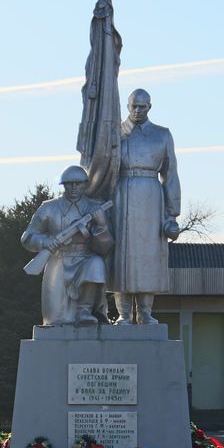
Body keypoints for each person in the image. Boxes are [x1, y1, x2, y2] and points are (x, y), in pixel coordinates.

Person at [109, 88, 181, 324]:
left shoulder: (162, 135)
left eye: (142, 106)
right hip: (121, 195)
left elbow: (170, 175)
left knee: (148, 256)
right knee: (122, 256)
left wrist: (172, 213)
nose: (138, 110)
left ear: (150, 106)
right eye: (134, 106)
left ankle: (146, 311)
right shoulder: (114, 134)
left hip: (152, 199)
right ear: (127, 106)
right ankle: (123, 313)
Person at [21, 166, 113, 326]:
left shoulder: (95, 207)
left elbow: (105, 249)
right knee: (55, 321)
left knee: (97, 264)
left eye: (78, 183)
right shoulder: (48, 208)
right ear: (63, 185)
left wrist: (102, 225)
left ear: (85, 184)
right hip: (58, 260)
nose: (74, 188)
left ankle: (85, 311)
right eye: (69, 184)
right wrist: (45, 242)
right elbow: (27, 237)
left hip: (86, 259)